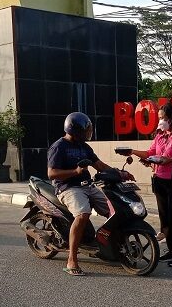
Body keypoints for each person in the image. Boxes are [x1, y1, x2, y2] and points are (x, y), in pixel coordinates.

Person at [48, 112, 133, 276]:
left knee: (114, 210)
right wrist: (75, 171)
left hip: (88, 186)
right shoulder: (59, 147)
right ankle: (71, 259)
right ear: (75, 130)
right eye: (86, 130)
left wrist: (120, 174)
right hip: (68, 187)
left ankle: (114, 247)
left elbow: (100, 165)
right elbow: (52, 173)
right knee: (83, 214)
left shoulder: (84, 147)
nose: (88, 133)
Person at [128, 103, 172, 267]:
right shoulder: (160, 136)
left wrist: (171, 160)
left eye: (163, 118)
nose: (160, 121)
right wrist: (131, 151)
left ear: (171, 119)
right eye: (159, 118)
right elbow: (151, 153)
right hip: (160, 179)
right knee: (165, 218)